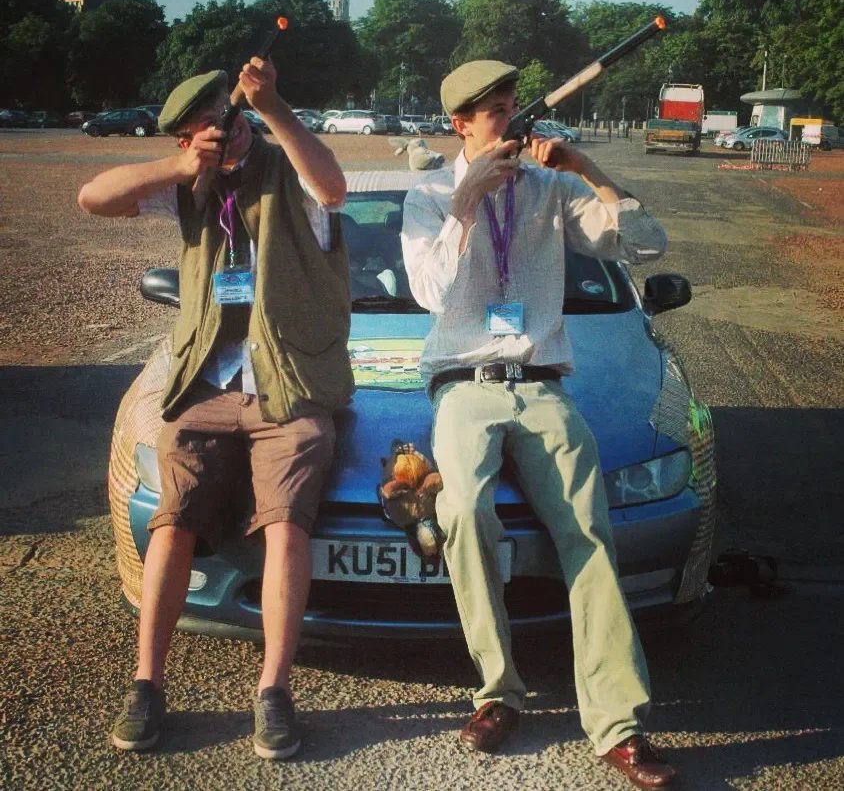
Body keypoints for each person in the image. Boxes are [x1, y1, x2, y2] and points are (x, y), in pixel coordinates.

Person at [400, 60, 677, 789]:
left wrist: (584, 166)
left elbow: (646, 245)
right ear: (460, 124)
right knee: (460, 511)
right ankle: (498, 691)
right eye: (493, 112)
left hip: (543, 383)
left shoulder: (552, 188)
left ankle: (617, 725)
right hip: (464, 384)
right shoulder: (429, 193)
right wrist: (466, 200)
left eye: (513, 107)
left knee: (588, 531)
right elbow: (428, 290)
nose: (510, 122)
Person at [78, 57, 353, 759]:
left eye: (225, 124)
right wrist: (177, 169)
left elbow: (334, 185)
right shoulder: (190, 188)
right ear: (186, 138)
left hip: (288, 387)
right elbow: (93, 197)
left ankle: (273, 691)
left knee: (286, 526)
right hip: (206, 386)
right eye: (202, 131)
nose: (220, 139)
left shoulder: (288, 171)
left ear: (244, 122)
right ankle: (146, 683)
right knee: (172, 521)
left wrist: (276, 109)